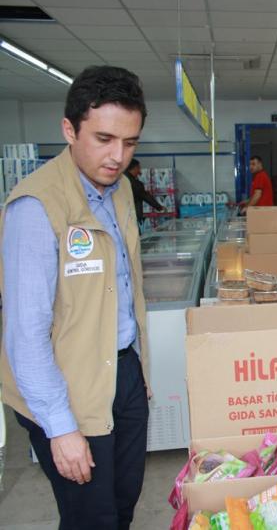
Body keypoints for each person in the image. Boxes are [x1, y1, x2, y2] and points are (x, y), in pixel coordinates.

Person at [0, 65, 151, 530]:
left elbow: (125, 290)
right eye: (103, 139)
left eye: (129, 143)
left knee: (124, 502)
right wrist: (60, 427)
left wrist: (139, 369)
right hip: (66, 385)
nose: (117, 156)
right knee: (92, 518)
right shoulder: (36, 207)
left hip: (121, 368)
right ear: (69, 129)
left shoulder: (121, 188)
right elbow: (25, 333)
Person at [124, 158, 164, 228]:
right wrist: (160, 208)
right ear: (135, 168)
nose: (140, 171)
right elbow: (146, 196)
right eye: (139, 168)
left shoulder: (120, 179)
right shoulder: (135, 183)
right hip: (132, 215)